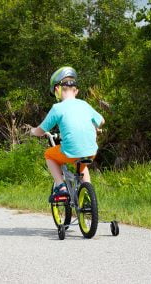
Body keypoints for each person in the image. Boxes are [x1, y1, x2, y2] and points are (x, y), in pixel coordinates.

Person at [30, 67, 105, 202]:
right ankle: (87, 195)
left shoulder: (57, 108)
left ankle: (61, 186)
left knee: (49, 154)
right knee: (83, 166)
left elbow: (41, 130)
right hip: (91, 151)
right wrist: (94, 127)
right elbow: (101, 121)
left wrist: (33, 131)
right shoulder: (84, 104)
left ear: (57, 90)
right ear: (76, 91)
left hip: (70, 151)